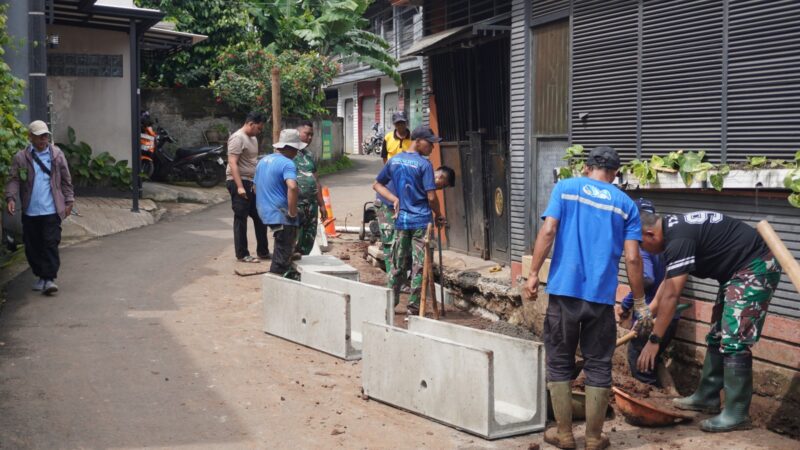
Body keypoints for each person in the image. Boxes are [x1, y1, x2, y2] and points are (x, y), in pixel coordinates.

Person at [522, 146, 645, 450]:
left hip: (564, 293)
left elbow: (548, 230)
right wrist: (640, 303)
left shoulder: (566, 188)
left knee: (559, 361)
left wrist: (533, 273)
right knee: (599, 364)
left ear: (587, 168)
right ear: (615, 174)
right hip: (601, 299)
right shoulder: (626, 205)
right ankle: (593, 438)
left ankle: (564, 435)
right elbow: (633, 258)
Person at [637, 210, 782, 432]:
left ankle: (737, 414)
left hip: (755, 266)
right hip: (736, 273)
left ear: (649, 234)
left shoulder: (678, 238)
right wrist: (649, 311)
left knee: (734, 340)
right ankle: (707, 396)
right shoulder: (672, 230)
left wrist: (654, 340)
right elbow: (669, 281)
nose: (642, 249)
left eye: (640, 244)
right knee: (717, 334)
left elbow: (672, 295)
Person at [373, 126, 448, 317]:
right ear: (419, 141)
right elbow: (431, 197)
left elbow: (377, 184)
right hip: (421, 222)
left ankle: (389, 303)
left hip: (402, 222)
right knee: (419, 266)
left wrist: (394, 199)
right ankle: (413, 307)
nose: (432, 147)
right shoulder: (424, 165)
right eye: (430, 143)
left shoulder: (395, 160)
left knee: (397, 264)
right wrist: (439, 214)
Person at [615, 198, 681, 387]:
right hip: (670, 315)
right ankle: (668, 393)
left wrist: (628, 302)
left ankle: (647, 397)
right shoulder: (666, 242)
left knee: (639, 362)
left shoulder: (643, 245)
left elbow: (647, 279)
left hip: (650, 318)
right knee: (653, 359)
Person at [5, 120, 75, 295]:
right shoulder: (21, 157)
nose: (43, 139)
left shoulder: (56, 155)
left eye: (45, 135)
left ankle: (49, 279)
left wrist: (69, 200)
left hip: (51, 209)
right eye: (39, 136)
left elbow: (66, 180)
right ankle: (41, 276)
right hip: (30, 211)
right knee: (32, 247)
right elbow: (13, 179)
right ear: (30, 137)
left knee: (50, 243)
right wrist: (11, 198)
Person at [375, 166, 456, 287]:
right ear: (440, 177)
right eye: (443, 185)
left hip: (402, 207)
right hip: (388, 205)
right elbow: (431, 198)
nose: (440, 189)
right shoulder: (424, 174)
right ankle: (394, 284)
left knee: (402, 244)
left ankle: (401, 281)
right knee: (392, 243)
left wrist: (438, 214)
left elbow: (432, 197)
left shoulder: (427, 177)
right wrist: (438, 215)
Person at [253, 129, 302, 277]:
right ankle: (277, 276)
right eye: (296, 149)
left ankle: (287, 254)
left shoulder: (263, 161)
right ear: (291, 148)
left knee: (284, 241)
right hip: (279, 212)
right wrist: (292, 213)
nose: (297, 153)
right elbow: (292, 187)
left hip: (264, 210)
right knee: (284, 243)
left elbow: (255, 187)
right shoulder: (288, 163)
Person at [226, 112, 269, 263]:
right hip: (238, 181)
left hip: (251, 182)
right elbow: (232, 162)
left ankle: (263, 251)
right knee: (241, 217)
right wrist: (239, 187)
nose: (259, 131)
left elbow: (252, 161)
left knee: (260, 216)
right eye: (258, 128)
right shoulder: (238, 138)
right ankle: (242, 254)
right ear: (251, 124)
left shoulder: (253, 138)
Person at [293, 121, 328, 256]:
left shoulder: (309, 155)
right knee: (291, 239)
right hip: (295, 205)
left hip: (311, 205)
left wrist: (322, 205)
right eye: (307, 134)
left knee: (308, 239)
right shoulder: (287, 154)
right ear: (297, 133)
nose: (310, 138)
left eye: (312, 135)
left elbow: (316, 181)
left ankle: (303, 264)